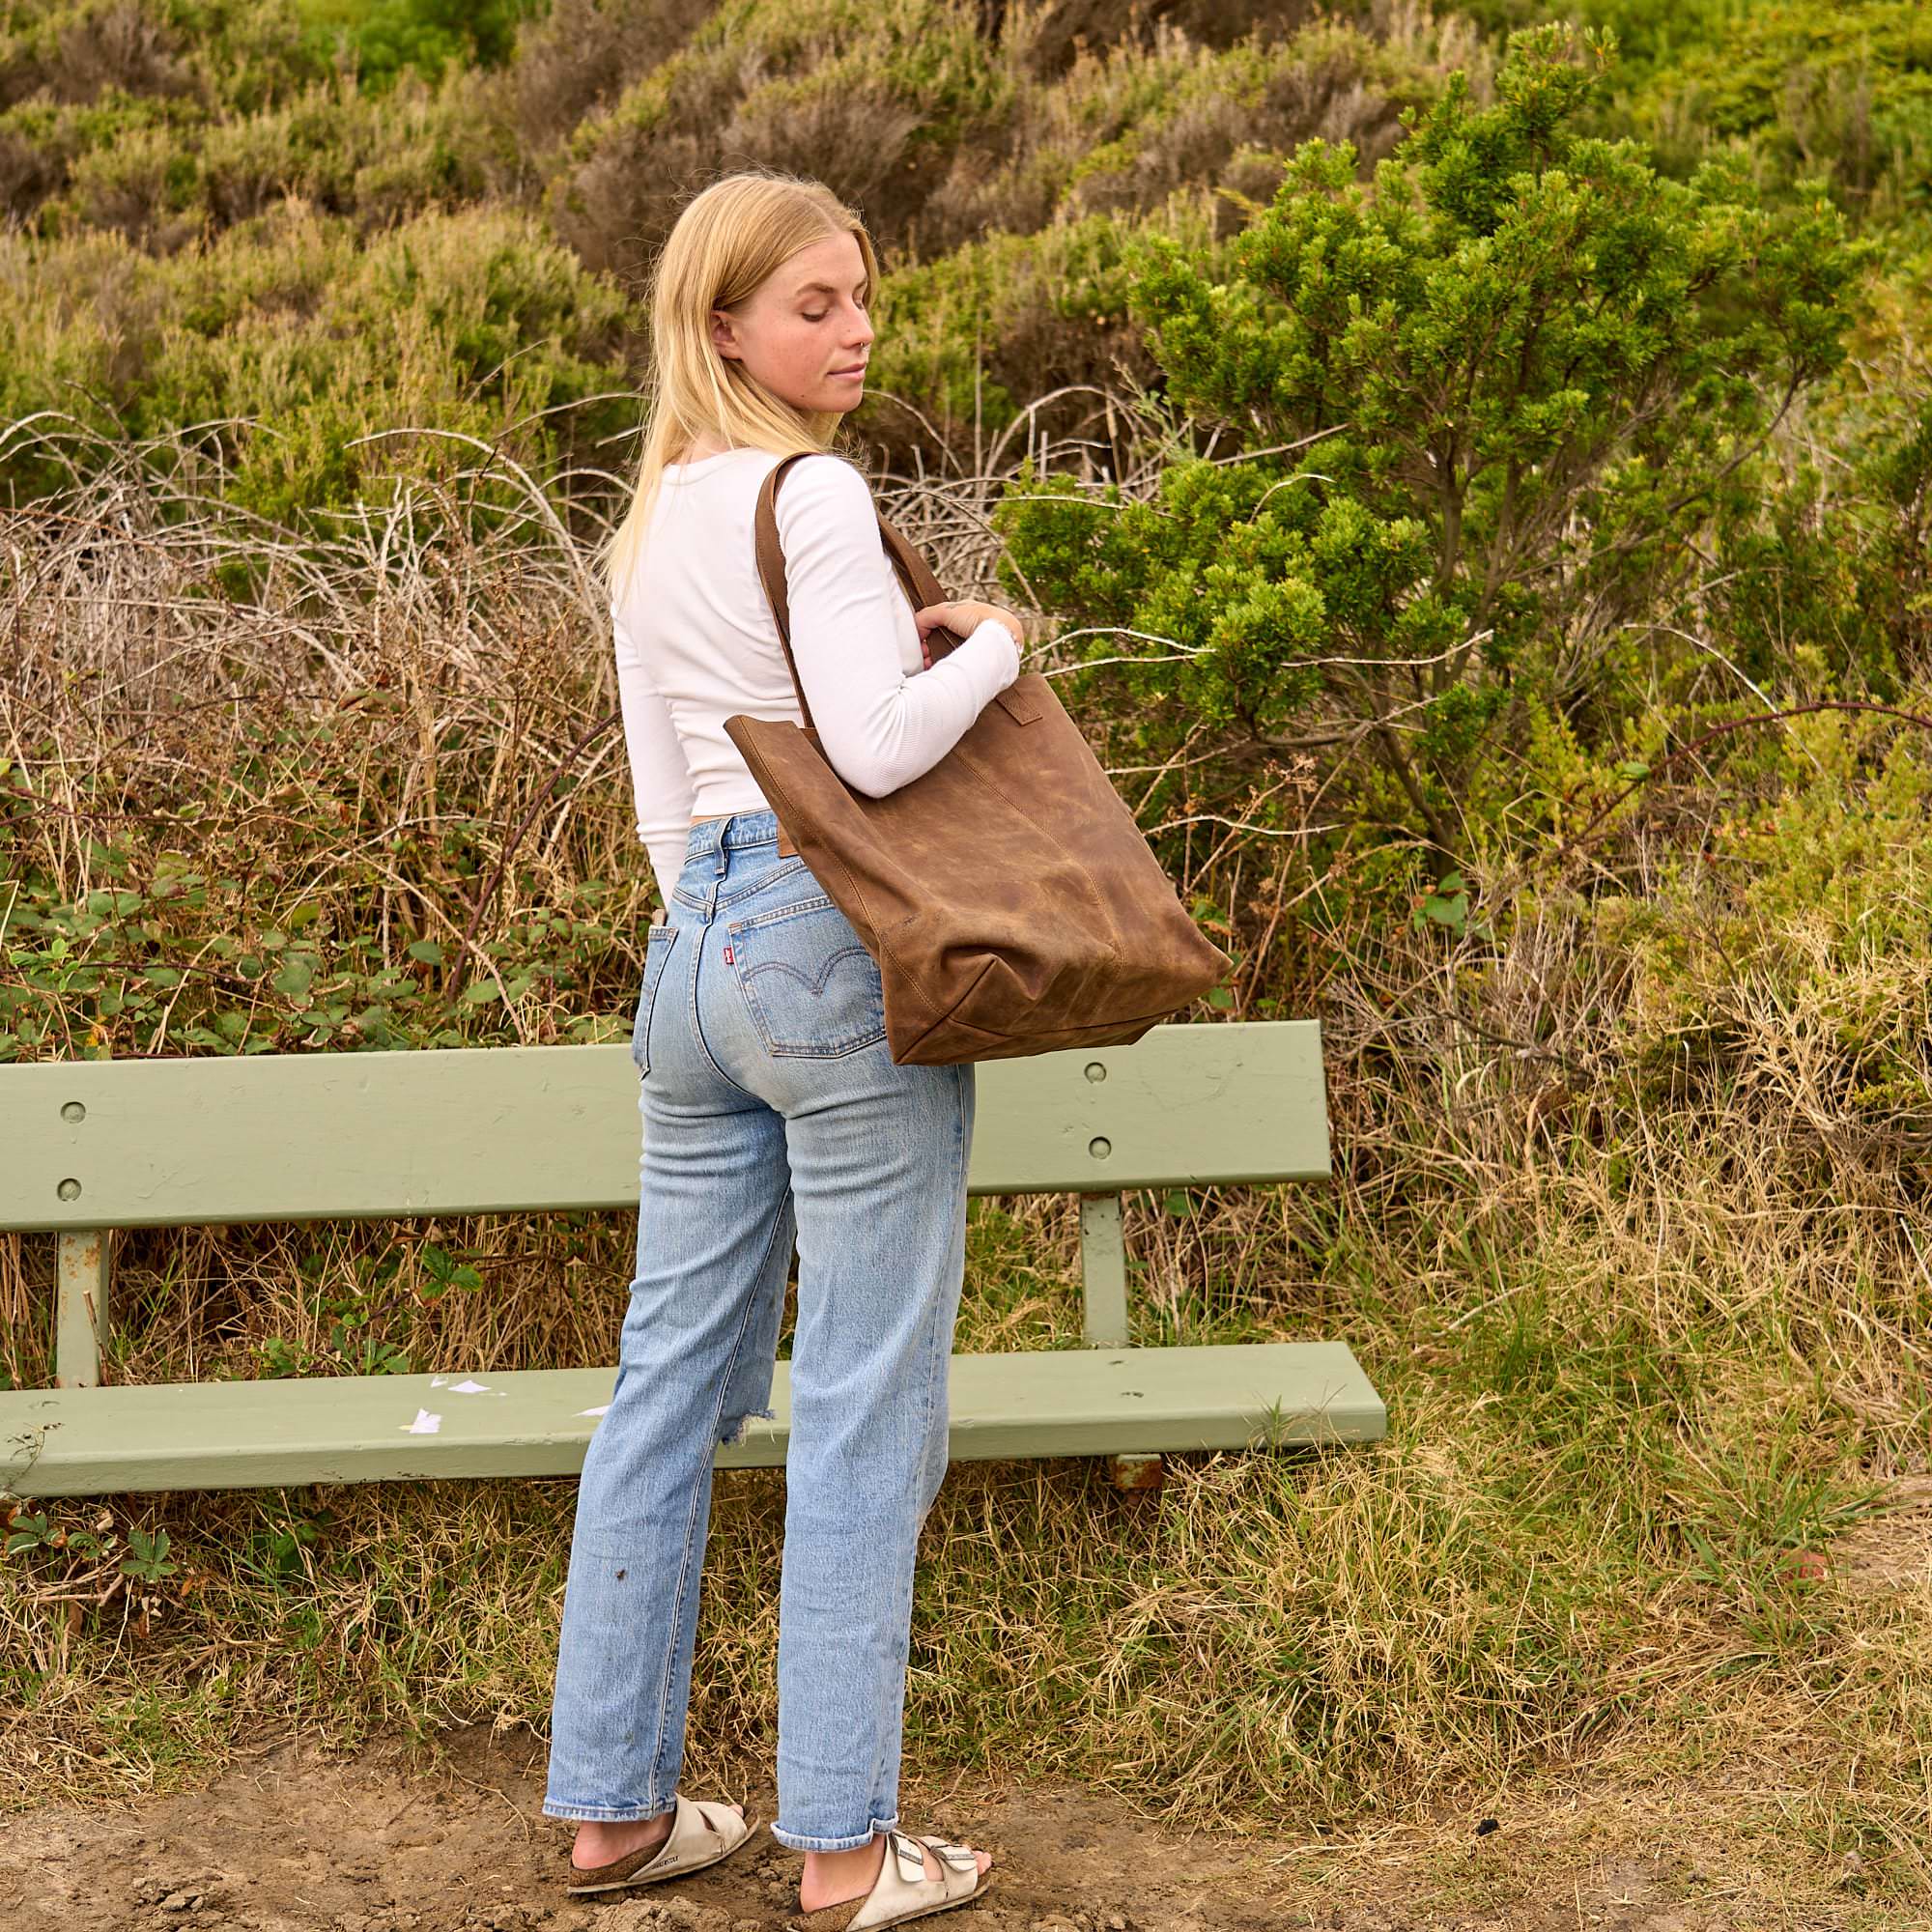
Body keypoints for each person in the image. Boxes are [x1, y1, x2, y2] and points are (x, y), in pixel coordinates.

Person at [540, 168, 1028, 1931]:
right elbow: (881, 754)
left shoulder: (658, 510)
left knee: (668, 1381)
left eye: (865, 297)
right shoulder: (813, 499)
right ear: (724, 321)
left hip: (699, 957)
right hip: (830, 946)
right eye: (813, 304)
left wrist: (720, 936)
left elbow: (671, 804)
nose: (854, 330)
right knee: (865, 1394)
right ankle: (845, 1846)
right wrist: (994, 649)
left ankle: (612, 1812)